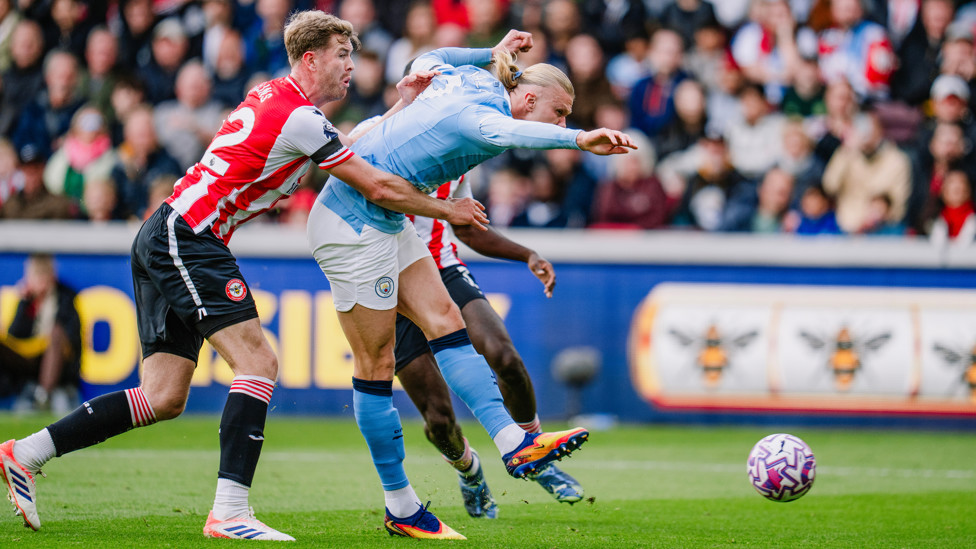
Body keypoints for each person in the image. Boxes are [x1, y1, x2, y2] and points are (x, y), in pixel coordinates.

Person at [0, 10, 487, 540]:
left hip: (169, 232)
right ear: (311, 59)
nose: (351, 66)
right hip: (188, 237)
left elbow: (352, 147)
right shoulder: (299, 117)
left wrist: (403, 105)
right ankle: (230, 511)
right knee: (258, 362)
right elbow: (375, 184)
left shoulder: (281, 100)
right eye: (342, 55)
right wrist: (449, 210)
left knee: (163, 396)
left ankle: (26, 453)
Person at [307, 30, 635, 539]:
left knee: (447, 320)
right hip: (351, 227)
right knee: (378, 368)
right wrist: (580, 139)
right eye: (559, 113)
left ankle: (515, 443)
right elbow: (519, 135)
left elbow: (433, 55)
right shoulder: (481, 120)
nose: (561, 122)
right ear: (529, 99)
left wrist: (493, 51)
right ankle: (402, 505)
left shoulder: (465, 80)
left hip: (390, 224)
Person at [390, 174, 584, 520]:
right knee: (438, 419)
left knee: (504, 357)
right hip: (390, 281)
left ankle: (535, 452)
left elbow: (467, 229)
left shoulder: (457, 162)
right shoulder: (376, 149)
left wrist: (527, 254)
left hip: (442, 269)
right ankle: (469, 471)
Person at [0, 254, 81, 413]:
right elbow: (16, 336)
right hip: (30, 358)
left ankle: (43, 396)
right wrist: (25, 303)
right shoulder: (26, 301)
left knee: (56, 333)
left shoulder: (66, 297)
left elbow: (72, 338)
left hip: (57, 356)